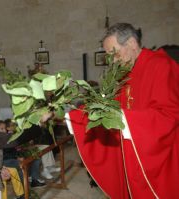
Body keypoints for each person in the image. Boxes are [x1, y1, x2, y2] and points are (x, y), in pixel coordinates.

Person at [66, 23, 179, 198]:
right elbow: (107, 106)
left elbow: (170, 115)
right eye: (109, 57)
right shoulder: (125, 73)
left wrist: (126, 119)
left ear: (132, 44)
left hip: (156, 158)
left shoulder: (162, 66)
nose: (113, 61)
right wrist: (67, 114)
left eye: (115, 53)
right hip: (131, 153)